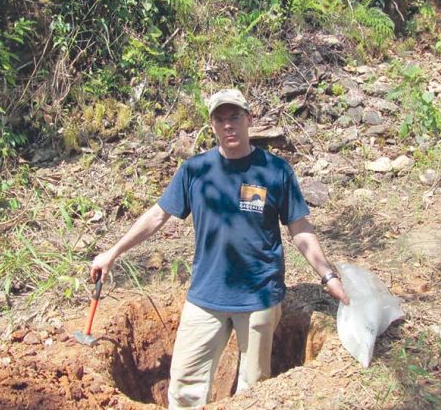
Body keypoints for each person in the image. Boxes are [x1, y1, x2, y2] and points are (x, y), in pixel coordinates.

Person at [90, 88, 350, 409]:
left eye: (235, 117)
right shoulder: (195, 170)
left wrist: (327, 275)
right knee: (184, 387)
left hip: (259, 296)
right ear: (212, 125)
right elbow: (157, 216)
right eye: (220, 119)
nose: (228, 125)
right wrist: (112, 252)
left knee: (254, 391)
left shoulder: (275, 170)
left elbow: (299, 229)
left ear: (249, 120)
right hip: (206, 295)